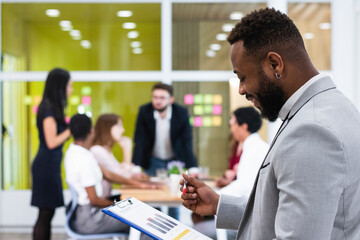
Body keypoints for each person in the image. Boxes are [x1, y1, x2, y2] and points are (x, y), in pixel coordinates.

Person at [181, 8, 360, 240]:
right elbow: (287, 214)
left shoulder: (312, 131)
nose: (241, 90)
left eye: (242, 77)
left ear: (275, 64)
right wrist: (219, 204)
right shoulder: (328, 107)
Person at [192, 107, 269, 239]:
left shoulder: (254, 150)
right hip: (250, 211)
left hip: (250, 216)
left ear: (243, 126)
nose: (231, 128)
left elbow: (245, 185)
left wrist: (216, 196)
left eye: (232, 124)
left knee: (197, 225)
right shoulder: (254, 146)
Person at [64, 114, 130, 234]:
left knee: (136, 215)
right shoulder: (85, 159)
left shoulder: (72, 152)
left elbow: (108, 175)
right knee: (141, 222)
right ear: (91, 130)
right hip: (90, 218)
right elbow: (94, 200)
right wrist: (118, 206)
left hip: (82, 215)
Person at [31, 68, 72, 240]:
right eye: (69, 85)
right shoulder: (47, 109)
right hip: (45, 166)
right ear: (60, 87)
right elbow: (51, 142)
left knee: (48, 213)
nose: (71, 90)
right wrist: (72, 128)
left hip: (50, 165)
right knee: (45, 213)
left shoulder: (53, 107)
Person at [132, 83, 197, 176]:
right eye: (155, 97)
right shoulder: (144, 111)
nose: (158, 101)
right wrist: (136, 165)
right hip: (153, 160)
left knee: (176, 186)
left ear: (171, 99)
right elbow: (139, 139)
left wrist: (192, 166)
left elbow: (186, 141)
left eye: (162, 98)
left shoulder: (181, 113)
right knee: (154, 187)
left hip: (175, 160)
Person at [90, 113, 150, 198]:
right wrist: (127, 149)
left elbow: (122, 170)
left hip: (107, 197)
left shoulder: (105, 150)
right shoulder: (97, 150)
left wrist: (133, 171)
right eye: (119, 126)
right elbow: (124, 176)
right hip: (102, 202)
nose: (122, 130)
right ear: (107, 127)